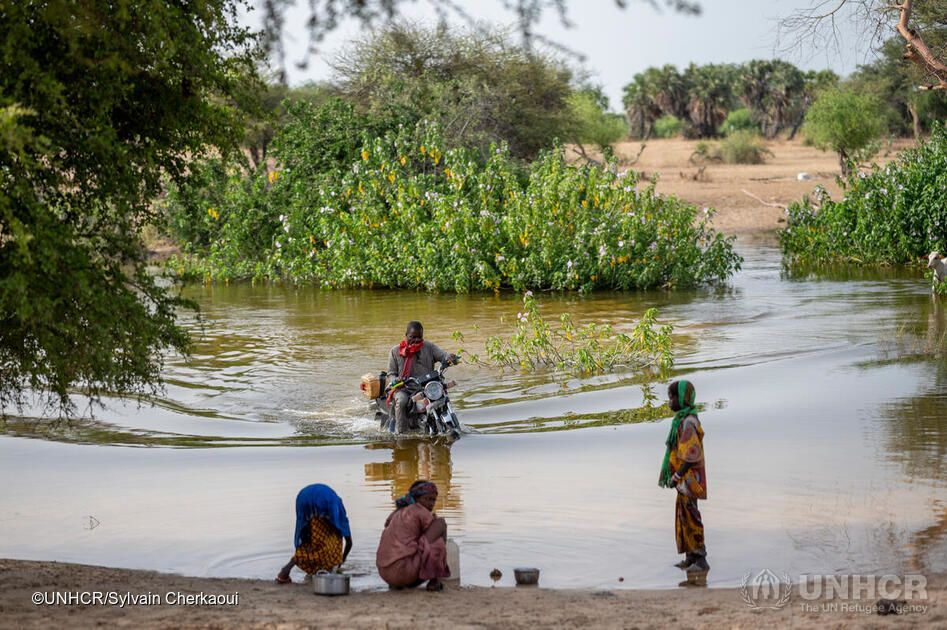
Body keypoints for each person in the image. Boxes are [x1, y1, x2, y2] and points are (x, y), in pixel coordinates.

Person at [658, 379, 710, 574]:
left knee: (691, 516)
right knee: (683, 515)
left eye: (672, 397)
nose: (669, 402)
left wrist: (677, 475)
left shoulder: (689, 422)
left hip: (690, 479)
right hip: (683, 480)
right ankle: (690, 557)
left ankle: (701, 558)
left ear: (682, 399)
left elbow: (691, 454)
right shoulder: (681, 420)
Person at [375, 480, 450, 591]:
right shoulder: (419, 510)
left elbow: (388, 525)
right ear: (416, 499)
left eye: (433, 500)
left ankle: (396, 584)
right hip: (403, 572)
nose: (431, 503)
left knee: (427, 537)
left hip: (385, 573)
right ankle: (435, 580)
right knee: (439, 528)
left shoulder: (396, 513)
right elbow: (434, 533)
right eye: (427, 499)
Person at [385, 321, 458, 433]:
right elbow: (390, 373)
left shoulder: (429, 347)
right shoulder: (395, 351)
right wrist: (396, 379)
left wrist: (450, 358)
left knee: (443, 396)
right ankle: (401, 433)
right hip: (404, 387)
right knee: (402, 400)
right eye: (412, 337)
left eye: (419, 337)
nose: (416, 340)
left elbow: (443, 356)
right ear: (406, 335)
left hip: (426, 386)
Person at [276, 484, 353, 584]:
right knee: (335, 539)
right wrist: (342, 559)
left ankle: (285, 572)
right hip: (324, 502)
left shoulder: (335, 506)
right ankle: (287, 569)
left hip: (303, 498)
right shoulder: (340, 514)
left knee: (309, 540)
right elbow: (349, 542)